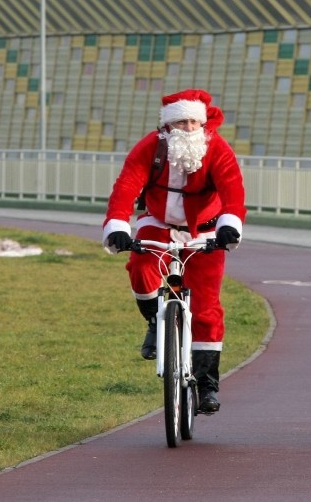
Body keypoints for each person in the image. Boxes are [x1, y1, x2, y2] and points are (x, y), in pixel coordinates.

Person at [102, 89, 246, 414]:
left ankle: (207, 383)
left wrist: (229, 225)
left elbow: (232, 188)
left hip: (206, 230)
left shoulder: (216, 149)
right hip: (158, 222)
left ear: (204, 123)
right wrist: (117, 226)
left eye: (195, 121)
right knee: (140, 267)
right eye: (182, 121)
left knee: (207, 308)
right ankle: (156, 321)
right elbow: (126, 186)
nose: (190, 127)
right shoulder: (151, 148)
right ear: (168, 125)